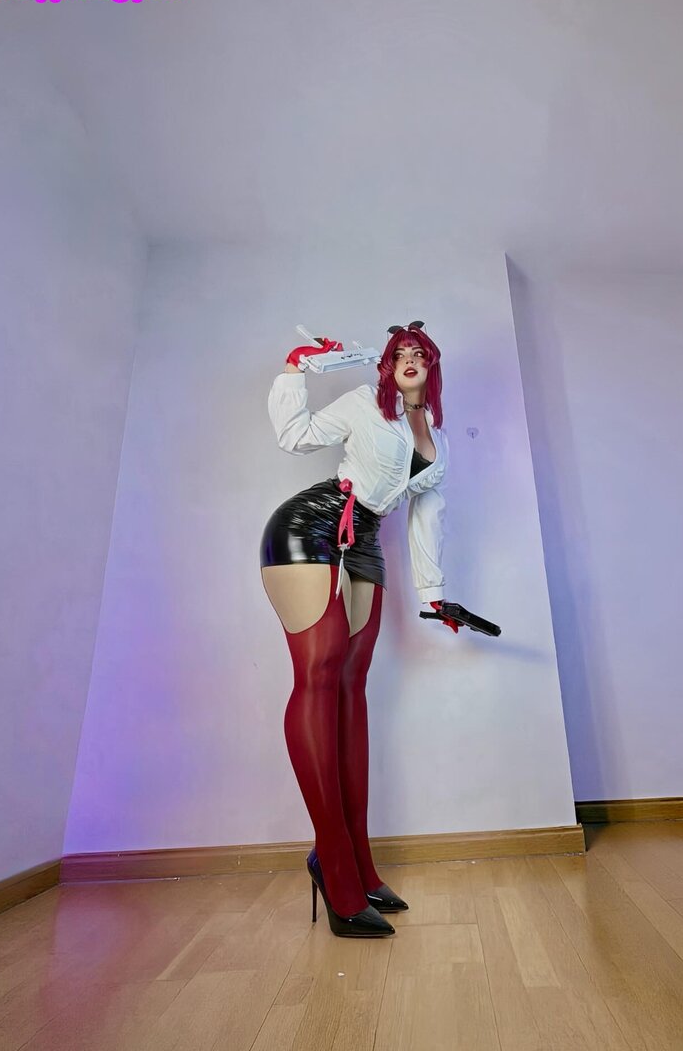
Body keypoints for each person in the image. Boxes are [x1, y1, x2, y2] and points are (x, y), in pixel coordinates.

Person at [260, 321, 452, 938]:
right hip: (311, 527)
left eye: (419, 353)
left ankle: (358, 866)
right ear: (385, 367)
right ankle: (335, 863)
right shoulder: (364, 403)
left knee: (351, 686)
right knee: (319, 674)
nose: (409, 358)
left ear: (431, 367)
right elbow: (294, 435)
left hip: (364, 540)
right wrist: (295, 369)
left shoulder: (436, 436)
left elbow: (425, 516)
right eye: (399, 353)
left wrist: (435, 596)